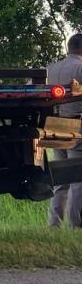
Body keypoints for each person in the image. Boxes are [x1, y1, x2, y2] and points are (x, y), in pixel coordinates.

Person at [46, 33, 82, 228]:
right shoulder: (80, 68)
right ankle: (76, 226)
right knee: (78, 179)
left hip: (53, 127)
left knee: (60, 180)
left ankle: (54, 225)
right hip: (76, 128)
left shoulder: (51, 68)